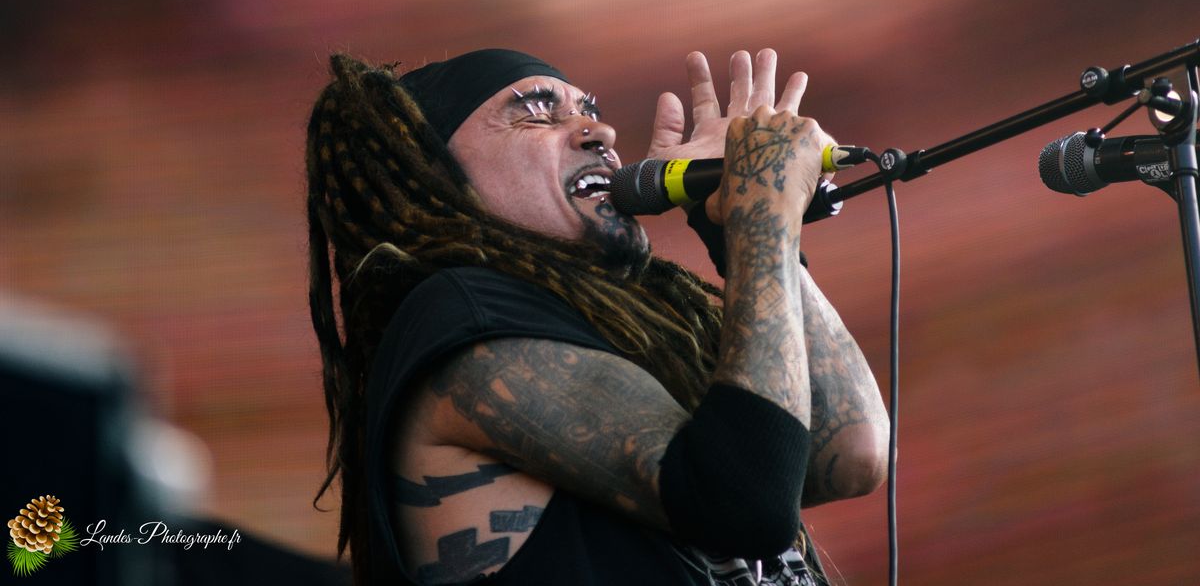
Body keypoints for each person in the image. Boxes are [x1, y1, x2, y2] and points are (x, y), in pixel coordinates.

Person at [305, 48, 889, 586]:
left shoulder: (609, 328)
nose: (601, 132)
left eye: (589, 111)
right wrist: (763, 214)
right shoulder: (463, 321)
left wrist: (732, 229)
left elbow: (851, 453)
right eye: (536, 112)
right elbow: (745, 503)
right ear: (430, 173)